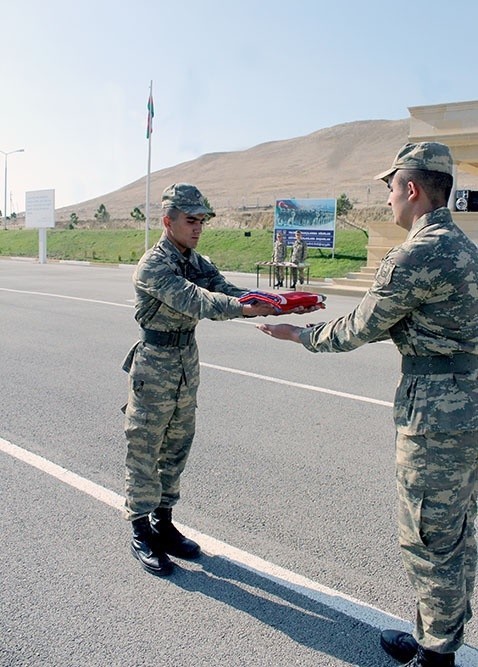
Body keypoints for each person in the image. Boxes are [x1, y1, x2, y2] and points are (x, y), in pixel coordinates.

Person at [257, 142, 478, 667]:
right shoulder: (468, 250)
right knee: (455, 531)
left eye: (389, 189)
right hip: (468, 404)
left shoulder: (416, 254)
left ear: (412, 189)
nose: (385, 201)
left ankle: (438, 656)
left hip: (436, 416)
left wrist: (299, 333)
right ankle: (434, 637)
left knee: (428, 536)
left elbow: (358, 327)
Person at [122, 182, 305, 578]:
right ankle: (140, 529)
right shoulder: (155, 265)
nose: (198, 228)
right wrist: (245, 309)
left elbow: (223, 288)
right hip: (154, 364)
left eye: (202, 221)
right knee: (145, 446)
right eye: (191, 220)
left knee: (176, 445)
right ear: (167, 221)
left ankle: (163, 522)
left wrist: (272, 302)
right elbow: (198, 301)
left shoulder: (195, 259)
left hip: (186, 361)